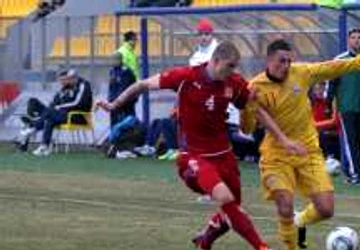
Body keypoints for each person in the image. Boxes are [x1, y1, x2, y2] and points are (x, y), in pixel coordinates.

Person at [96, 41, 270, 250]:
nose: (233, 71)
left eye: (235, 66)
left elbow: (251, 108)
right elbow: (142, 85)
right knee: (226, 198)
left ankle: (205, 241)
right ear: (215, 61)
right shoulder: (185, 77)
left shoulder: (233, 82)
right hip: (194, 157)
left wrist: (271, 125)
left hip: (224, 155)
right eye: (230, 66)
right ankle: (262, 247)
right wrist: (114, 104)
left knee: (232, 207)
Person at [242, 39, 360, 250]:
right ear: (268, 60)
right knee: (285, 205)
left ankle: (299, 222)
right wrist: (245, 108)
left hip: (308, 150)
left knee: (326, 209)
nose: (286, 66)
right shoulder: (255, 87)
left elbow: (332, 67)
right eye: (281, 61)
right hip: (276, 155)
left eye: (289, 61)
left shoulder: (301, 72)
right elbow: (247, 129)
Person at [331, 28, 360, 185]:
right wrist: (329, 104)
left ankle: (355, 173)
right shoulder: (340, 60)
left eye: (359, 38)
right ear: (348, 40)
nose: (356, 40)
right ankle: (355, 174)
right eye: (353, 37)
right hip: (346, 107)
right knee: (351, 142)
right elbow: (332, 82)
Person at [17, 69, 93, 156]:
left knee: (49, 116)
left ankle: (33, 126)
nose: (64, 81)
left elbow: (78, 103)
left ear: (76, 78)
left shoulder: (83, 85)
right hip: (60, 114)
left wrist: (58, 107)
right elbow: (54, 103)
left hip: (78, 116)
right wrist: (54, 107)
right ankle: (43, 146)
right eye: (62, 80)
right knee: (36, 104)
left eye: (67, 79)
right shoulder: (64, 89)